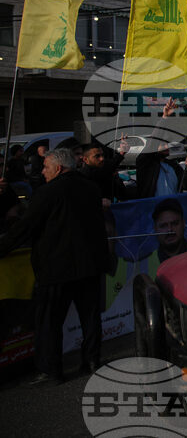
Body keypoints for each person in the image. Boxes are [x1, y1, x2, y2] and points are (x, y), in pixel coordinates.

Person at [0, 148, 109, 385]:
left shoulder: (48, 192)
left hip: (56, 268)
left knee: (49, 322)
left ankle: (51, 370)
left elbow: (25, 227)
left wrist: (3, 247)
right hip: (89, 265)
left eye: (46, 167)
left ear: (58, 168)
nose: (42, 172)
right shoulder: (91, 188)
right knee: (90, 317)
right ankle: (91, 361)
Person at [147, 197, 187, 277]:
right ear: (155, 229)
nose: (170, 230)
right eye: (163, 226)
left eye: (174, 223)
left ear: (183, 224)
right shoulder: (144, 264)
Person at [79, 139, 129, 203]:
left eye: (102, 155)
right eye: (97, 156)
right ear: (85, 159)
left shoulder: (104, 170)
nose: (102, 159)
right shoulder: (86, 174)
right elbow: (107, 168)